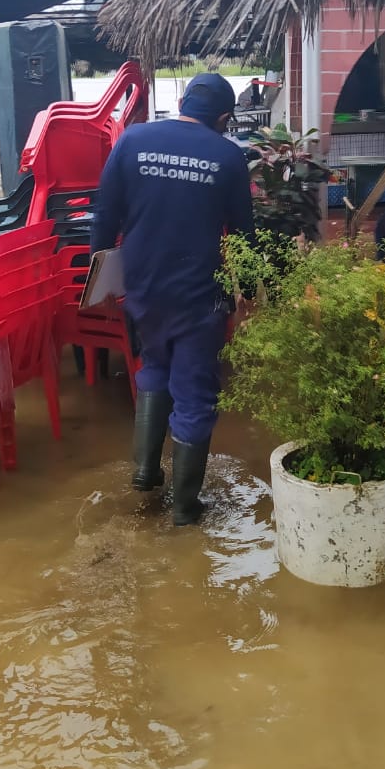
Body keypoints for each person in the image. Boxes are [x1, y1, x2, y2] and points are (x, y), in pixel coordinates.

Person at [91, 73, 254, 525]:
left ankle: (145, 471)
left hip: (142, 287)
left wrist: (101, 282)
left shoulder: (132, 140)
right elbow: (243, 234)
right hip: (198, 292)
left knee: (156, 364)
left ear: (181, 102)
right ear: (224, 117)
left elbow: (104, 215)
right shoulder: (227, 155)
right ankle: (184, 508)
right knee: (196, 393)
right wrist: (256, 292)